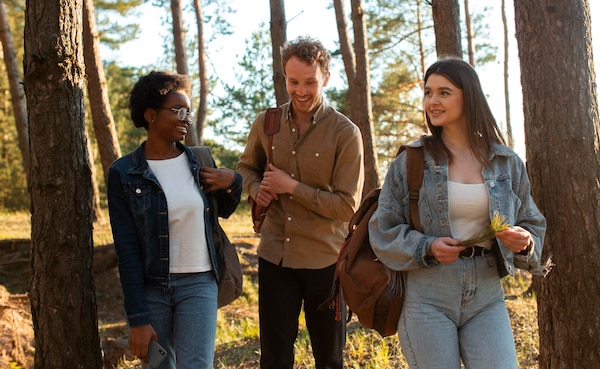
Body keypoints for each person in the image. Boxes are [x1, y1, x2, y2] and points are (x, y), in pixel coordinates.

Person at [369, 57, 548, 369]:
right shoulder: (411, 161)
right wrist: (427, 247)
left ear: (469, 95)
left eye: (444, 92)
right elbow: (382, 229)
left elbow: (532, 222)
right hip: (427, 295)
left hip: (488, 293)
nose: (432, 101)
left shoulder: (506, 163)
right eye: (428, 92)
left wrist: (525, 242)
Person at [237, 36, 364, 369]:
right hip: (274, 259)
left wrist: (291, 186)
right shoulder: (267, 124)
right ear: (284, 78)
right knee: (275, 359)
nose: (301, 90)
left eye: (310, 81)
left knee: (329, 359)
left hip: (325, 263)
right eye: (293, 82)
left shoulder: (345, 134)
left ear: (326, 77)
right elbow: (245, 168)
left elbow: (347, 207)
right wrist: (256, 189)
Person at [107, 70, 242, 369]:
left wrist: (234, 181)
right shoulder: (123, 173)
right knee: (159, 367)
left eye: (188, 112)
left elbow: (224, 211)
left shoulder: (200, 162)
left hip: (200, 284)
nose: (185, 118)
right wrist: (137, 319)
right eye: (177, 111)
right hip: (152, 290)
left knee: (196, 365)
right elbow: (127, 250)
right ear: (150, 115)